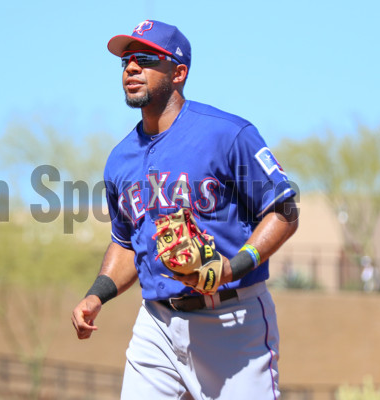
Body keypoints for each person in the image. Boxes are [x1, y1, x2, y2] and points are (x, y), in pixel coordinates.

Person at [71, 20, 299, 399]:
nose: (130, 68)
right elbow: (127, 242)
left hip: (232, 320)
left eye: (145, 59)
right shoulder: (120, 159)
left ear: (179, 73)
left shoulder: (227, 134)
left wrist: (232, 267)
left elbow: (283, 211)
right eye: (126, 61)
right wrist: (96, 295)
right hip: (157, 323)